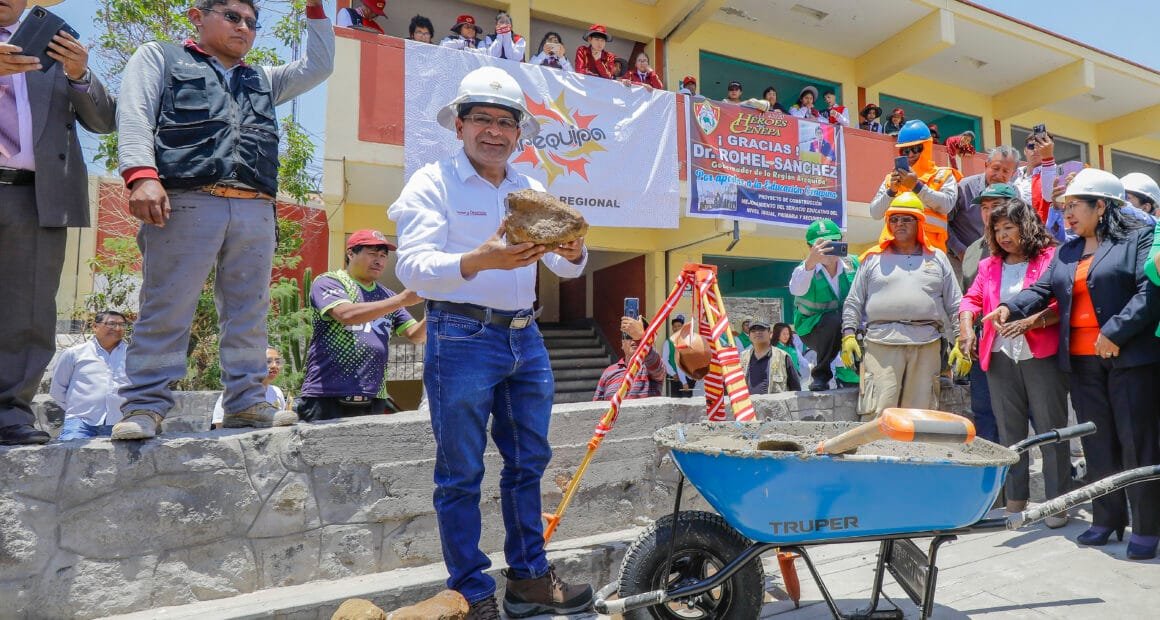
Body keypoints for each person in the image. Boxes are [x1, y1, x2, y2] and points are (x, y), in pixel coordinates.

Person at [388, 66, 591, 618]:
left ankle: (529, 580)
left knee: (529, 461)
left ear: (519, 132)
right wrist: (479, 260)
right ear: (459, 125)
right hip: (460, 334)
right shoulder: (432, 182)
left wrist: (574, 251)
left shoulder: (531, 189)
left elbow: (567, 265)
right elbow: (412, 267)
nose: (494, 131)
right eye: (482, 119)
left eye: (506, 122)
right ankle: (472, 593)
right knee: (461, 471)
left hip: (526, 336)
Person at [112, 0, 334, 440]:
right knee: (167, 306)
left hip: (255, 205)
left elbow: (319, 66)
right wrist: (141, 175)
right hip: (186, 199)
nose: (244, 27)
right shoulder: (160, 57)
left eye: (251, 22)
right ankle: (144, 406)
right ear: (197, 16)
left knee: (249, 311)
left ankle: (247, 403)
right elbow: (134, 113)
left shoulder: (263, 78)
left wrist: (314, 9)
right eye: (232, 17)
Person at [987, 169, 1160, 560]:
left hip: (1129, 359)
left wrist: (1115, 332)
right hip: (1082, 364)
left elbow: (1149, 292)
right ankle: (1106, 519)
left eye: (1074, 206)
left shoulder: (1137, 239)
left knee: (1137, 443)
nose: (1066, 214)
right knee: (1097, 444)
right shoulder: (1067, 250)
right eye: (1064, 207)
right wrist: (1009, 307)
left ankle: (1147, 527)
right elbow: (1041, 289)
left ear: (1102, 206)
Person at [0, 0, 116, 445]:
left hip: (35, 195)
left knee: (28, 312)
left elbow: (104, 120)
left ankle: (10, 414)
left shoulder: (49, 48)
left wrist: (79, 74)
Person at [958, 197, 1069, 527]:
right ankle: (1016, 501)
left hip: (1040, 354)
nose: (1003, 236)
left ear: (1027, 226)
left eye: (1009, 227)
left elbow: (1062, 302)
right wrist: (966, 327)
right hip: (999, 355)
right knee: (1010, 431)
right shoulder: (989, 265)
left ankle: (1057, 502)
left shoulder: (1052, 257)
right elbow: (971, 299)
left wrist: (1031, 323)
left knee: (1051, 429)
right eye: (997, 230)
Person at [842, 193, 961, 419]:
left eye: (907, 219)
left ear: (919, 223)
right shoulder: (872, 258)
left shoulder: (937, 258)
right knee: (879, 414)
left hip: (927, 345)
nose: (899, 224)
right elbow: (853, 301)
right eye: (894, 219)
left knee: (921, 415)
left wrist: (961, 343)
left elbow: (955, 304)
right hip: (880, 344)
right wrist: (848, 335)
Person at [297, 230, 426, 421]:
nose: (379, 261)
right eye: (372, 253)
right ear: (350, 253)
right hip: (327, 393)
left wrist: (436, 308)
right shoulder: (330, 281)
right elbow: (346, 314)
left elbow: (416, 335)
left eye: (383, 256)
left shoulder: (388, 295)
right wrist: (401, 300)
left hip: (375, 396)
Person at [956, 182, 1021, 444]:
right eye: (984, 207)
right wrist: (965, 332)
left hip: (1020, 338)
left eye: (996, 206)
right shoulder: (973, 250)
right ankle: (991, 465)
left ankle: (1022, 465)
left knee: (1024, 411)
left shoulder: (1029, 246)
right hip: (982, 342)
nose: (988, 212)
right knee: (984, 410)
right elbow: (968, 296)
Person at [789, 219, 859, 391]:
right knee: (833, 320)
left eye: (833, 242)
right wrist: (810, 262)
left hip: (847, 324)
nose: (829, 249)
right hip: (812, 329)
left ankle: (856, 374)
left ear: (841, 240)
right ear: (810, 248)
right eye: (822, 245)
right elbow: (796, 289)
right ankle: (821, 375)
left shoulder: (854, 263)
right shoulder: (804, 270)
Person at [869, 119, 959, 253]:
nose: (910, 154)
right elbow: (875, 213)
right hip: (894, 250)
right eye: (905, 151)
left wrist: (916, 186)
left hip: (930, 251)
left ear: (927, 147)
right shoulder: (891, 179)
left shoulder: (943, 175)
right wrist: (891, 192)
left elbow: (946, 205)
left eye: (916, 149)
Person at [50, 312, 130, 440]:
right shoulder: (74, 354)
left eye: (122, 325)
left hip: (122, 422)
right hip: (81, 423)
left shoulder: (132, 355)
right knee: (71, 451)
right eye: (111, 324)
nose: (117, 328)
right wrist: (77, 410)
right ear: (94, 326)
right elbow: (57, 389)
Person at [949, 146, 1021, 269]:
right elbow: (943, 223)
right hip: (961, 262)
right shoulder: (964, 188)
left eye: (1005, 171)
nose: (999, 175)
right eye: (995, 168)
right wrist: (960, 251)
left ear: (1013, 173)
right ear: (986, 165)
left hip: (999, 263)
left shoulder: (1014, 193)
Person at [211, 347, 287, 430]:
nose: (274, 366)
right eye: (268, 361)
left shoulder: (276, 392)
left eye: (277, 362)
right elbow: (220, 428)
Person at [593, 317, 665, 400]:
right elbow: (597, 403)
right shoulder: (609, 372)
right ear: (622, 343)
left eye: (637, 335)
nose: (634, 339)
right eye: (629, 335)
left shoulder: (650, 368)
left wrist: (641, 338)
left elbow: (657, 369)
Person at [740, 321, 800, 394]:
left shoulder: (783, 357)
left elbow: (795, 389)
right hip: (748, 401)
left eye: (761, 329)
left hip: (777, 401)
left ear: (770, 333)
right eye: (753, 331)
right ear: (749, 336)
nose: (757, 332)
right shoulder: (742, 358)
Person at [661, 315, 694, 397]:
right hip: (675, 377)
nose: (677, 328)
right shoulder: (668, 342)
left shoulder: (688, 341)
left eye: (679, 326)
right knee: (676, 400)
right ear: (672, 328)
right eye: (675, 326)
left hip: (688, 376)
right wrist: (673, 373)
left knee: (688, 400)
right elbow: (665, 360)